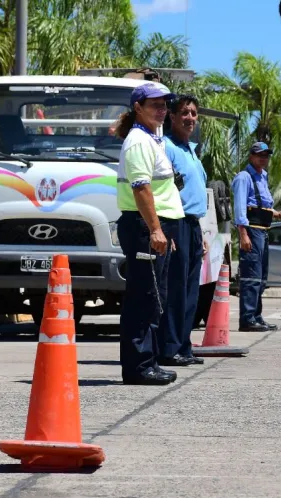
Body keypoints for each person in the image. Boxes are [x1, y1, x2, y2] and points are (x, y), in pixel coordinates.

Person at [115, 82, 185, 385]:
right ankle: (139, 366)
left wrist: (164, 230)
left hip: (156, 227)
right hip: (145, 227)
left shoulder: (152, 139)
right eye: (155, 104)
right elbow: (141, 188)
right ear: (138, 108)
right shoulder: (138, 142)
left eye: (164, 104)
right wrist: (156, 229)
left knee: (155, 296)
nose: (162, 109)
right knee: (144, 297)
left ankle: (149, 361)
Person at [157, 94, 208, 367]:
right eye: (184, 113)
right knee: (175, 288)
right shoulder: (167, 146)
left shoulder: (191, 150)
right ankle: (170, 347)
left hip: (193, 225)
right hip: (176, 223)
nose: (190, 118)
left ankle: (184, 345)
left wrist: (202, 235)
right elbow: (165, 190)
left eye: (193, 113)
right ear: (172, 117)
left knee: (191, 290)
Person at [231, 142, 281, 332]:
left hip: (263, 231)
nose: (263, 158)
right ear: (251, 156)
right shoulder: (244, 177)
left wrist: (276, 214)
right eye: (259, 154)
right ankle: (247, 319)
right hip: (252, 231)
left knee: (261, 277)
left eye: (266, 155)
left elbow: (260, 205)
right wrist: (243, 234)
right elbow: (241, 207)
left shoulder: (262, 177)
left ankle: (256, 315)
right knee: (251, 277)